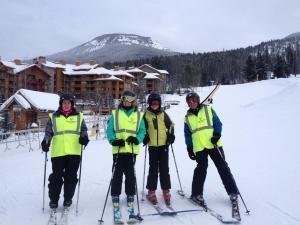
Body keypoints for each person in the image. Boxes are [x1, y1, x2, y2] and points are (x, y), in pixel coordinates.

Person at [184, 92, 239, 208]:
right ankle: (196, 194)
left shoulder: (208, 109)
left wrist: (217, 134)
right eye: (189, 101)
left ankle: (233, 192)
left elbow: (218, 123)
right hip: (199, 147)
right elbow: (187, 134)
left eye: (193, 100)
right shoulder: (187, 118)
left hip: (213, 144)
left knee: (223, 167)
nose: (192, 103)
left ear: (198, 100)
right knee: (201, 169)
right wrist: (189, 148)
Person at [41, 93, 89, 210]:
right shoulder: (53, 117)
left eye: (68, 103)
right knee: (56, 177)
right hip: (58, 152)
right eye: (64, 103)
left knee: (71, 177)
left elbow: (83, 131)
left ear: (72, 104)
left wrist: (84, 138)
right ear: (61, 104)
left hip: (74, 152)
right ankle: (53, 200)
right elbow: (48, 132)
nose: (66, 105)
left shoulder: (79, 117)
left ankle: (68, 198)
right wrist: (46, 141)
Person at [106, 90, 146, 221]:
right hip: (119, 149)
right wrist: (113, 140)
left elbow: (142, 131)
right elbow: (110, 130)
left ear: (134, 102)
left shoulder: (139, 115)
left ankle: (130, 194)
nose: (127, 102)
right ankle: (115, 194)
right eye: (125, 100)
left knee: (130, 174)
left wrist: (138, 139)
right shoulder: (115, 114)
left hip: (131, 150)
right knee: (116, 174)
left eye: (130, 100)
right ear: (122, 101)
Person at [142, 92, 175, 205]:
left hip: (164, 145)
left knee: (164, 168)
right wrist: (144, 137)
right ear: (149, 103)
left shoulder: (163, 114)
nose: (155, 105)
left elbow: (170, 125)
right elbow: (142, 129)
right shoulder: (146, 115)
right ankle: (151, 191)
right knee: (153, 169)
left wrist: (170, 136)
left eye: (157, 103)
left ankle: (166, 190)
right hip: (152, 146)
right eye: (152, 103)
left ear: (160, 103)